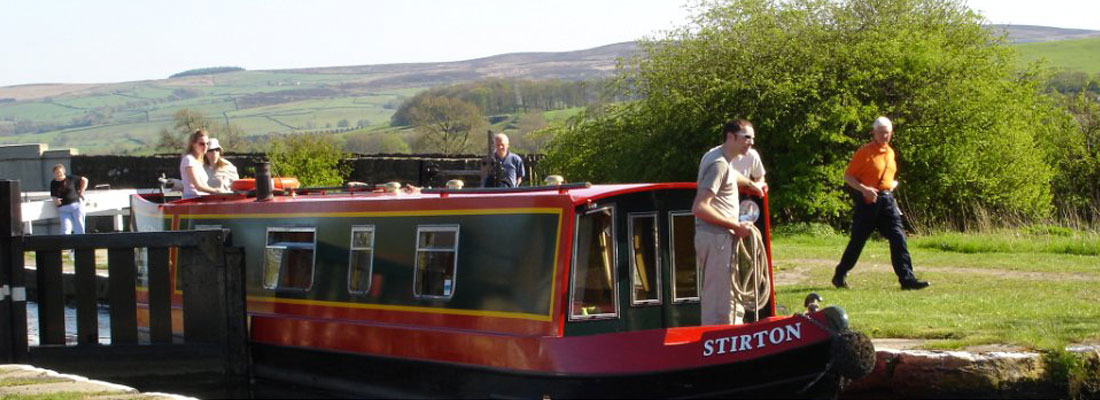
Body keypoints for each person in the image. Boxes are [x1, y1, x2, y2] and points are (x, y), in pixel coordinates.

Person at [832, 116, 930, 290]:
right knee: (858, 240)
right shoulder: (864, 152)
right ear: (874, 133)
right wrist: (864, 190)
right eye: (881, 132)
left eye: (888, 132)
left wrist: (891, 186)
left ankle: (907, 280)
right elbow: (848, 176)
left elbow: (888, 177)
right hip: (868, 201)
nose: (885, 136)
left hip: (887, 201)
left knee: (898, 237)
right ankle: (840, 275)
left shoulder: (891, 153)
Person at [692, 119, 766, 325]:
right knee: (721, 304)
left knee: (725, 298)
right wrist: (736, 226)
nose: (750, 143)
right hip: (717, 239)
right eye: (746, 138)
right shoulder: (719, 164)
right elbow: (699, 207)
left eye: (752, 138)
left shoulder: (718, 156)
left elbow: (731, 176)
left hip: (718, 238)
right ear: (731, 137)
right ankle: (720, 347)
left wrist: (753, 184)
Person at [179, 129, 221, 199]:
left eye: (207, 144)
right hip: (192, 200)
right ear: (193, 144)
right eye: (202, 144)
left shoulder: (198, 161)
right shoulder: (189, 160)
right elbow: (197, 186)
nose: (205, 146)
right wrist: (217, 191)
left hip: (202, 199)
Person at [49, 164, 88, 235]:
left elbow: (84, 180)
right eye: (56, 173)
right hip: (63, 209)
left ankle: (81, 244)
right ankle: (65, 244)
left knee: (79, 226)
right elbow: (53, 195)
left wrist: (82, 191)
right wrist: (55, 200)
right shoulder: (53, 183)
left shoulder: (70, 178)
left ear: (63, 172)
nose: (58, 174)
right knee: (65, 229)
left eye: (59, 172)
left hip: (76, 206)